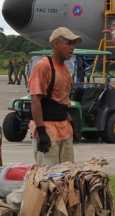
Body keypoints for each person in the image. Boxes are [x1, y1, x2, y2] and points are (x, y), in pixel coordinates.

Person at [27, 27, 82, 165]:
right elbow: (35, 101)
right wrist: (41, 132)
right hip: (48, 130)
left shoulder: (65, 69)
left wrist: (71, 121)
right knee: (48, 178)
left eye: (73, 44)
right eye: (68, 43)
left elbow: (61, 101)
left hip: (64, 130)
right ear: (56, 44)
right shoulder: (43, 67)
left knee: (67, 175)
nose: (72, 48)